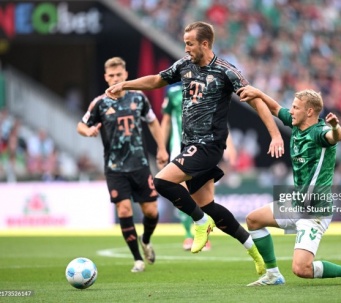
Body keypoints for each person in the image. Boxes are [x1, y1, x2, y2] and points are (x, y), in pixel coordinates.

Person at [105, 21, 284, 275]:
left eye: (190, 43)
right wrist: (125, 84)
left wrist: (275, 134)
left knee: (162, 182)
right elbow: (157, 80)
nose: (186, 48)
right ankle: (254, 251)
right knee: (209, 204)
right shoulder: (184, 65)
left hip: (208, 145)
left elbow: (255, 99)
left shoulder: (226, 71)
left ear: (205, 43)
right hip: (189, 145)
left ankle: (200, 223)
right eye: (185, 43)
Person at [238, 86, 341, 286]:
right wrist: (258, 93)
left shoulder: (320, 132)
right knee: (253, 220)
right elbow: (275, 108)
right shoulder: (296, 123)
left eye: (296, 107)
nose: (291, 111)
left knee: (302, 269)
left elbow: (336, 136)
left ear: (309, 112)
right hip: (297, 204)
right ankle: (273, 275)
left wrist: (335, 126)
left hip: (315, 211)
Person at [77, 57, 169, 272]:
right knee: (124, 209)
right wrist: (88, 130)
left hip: (140, 165)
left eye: (119, 75)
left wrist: (162, 148)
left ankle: (145, 240)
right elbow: (81, 124)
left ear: (126, 75)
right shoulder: (99, 103)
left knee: (151, 212)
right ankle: (137, 258)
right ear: (106, 78)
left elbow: (153, 122)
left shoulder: (139, 98)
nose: (115, 79)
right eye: (111, 76)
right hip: (115, 168)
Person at [161, 83, 237, 251]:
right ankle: (188, 235)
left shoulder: (208, 85)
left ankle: (204, 236)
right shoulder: (173, 91)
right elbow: (166, 120)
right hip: (178, 149)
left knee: (204, 195)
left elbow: (219, 120)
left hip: (204, 148)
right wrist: (161, 147)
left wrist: (229, 145)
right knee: (181, 193)